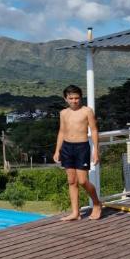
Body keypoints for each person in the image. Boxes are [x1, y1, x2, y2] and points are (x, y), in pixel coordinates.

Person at [54, 85, 102, 221]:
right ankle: (76, 213)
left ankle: (97, 204)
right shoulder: (63, 113)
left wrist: (96, 151)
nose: (74, 101)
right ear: (66, 99)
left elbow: (93, 130)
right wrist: (57, 150)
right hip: (67, 147)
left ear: (80, 98)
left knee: (82, 181)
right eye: (71, 98)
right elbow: (62, 131)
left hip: (82, 147)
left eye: (77, 98)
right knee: (71, 181)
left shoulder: (87, 111)